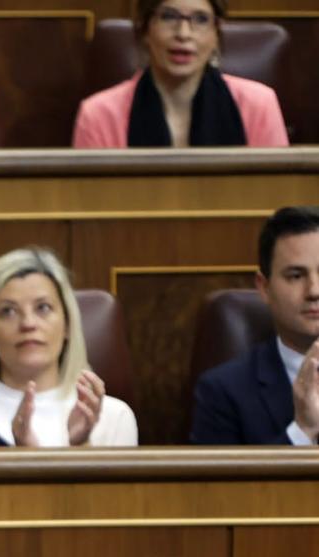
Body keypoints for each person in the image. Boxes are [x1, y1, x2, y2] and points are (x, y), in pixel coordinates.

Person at [0, 247, 138, 446]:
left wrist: (79, 448)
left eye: (43, 308)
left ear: (68, 325)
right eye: (8, 311)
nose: (28, 323)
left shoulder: (112, 416)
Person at [72, 0, 287, 148]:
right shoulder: (98, 114)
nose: (184, 34)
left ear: (216, 32)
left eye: (201, 19)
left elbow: (277, 199)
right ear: (145, 29)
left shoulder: (260, 104)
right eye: (168, 17)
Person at [191, 206, 319, 444]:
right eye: (296, 275)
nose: (314, 291)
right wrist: (302, 432)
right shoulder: (222, 392)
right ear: (264, 287)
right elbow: (219, 482)